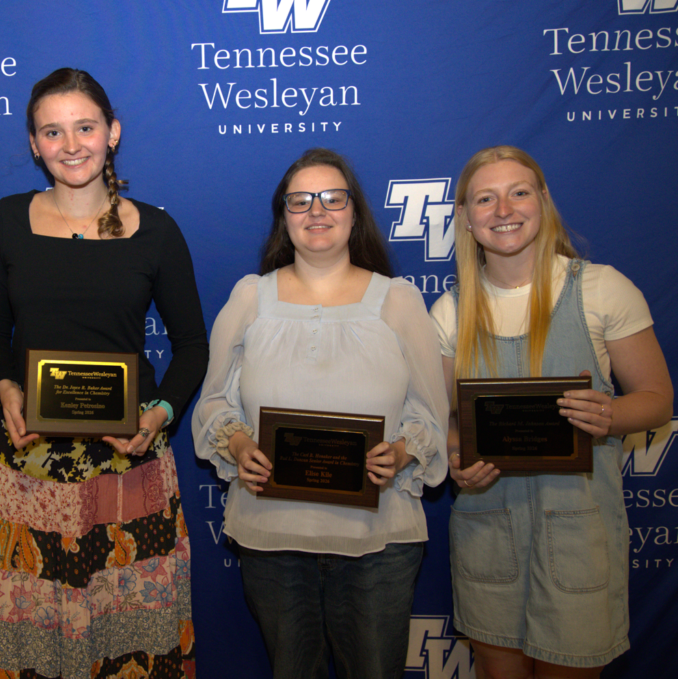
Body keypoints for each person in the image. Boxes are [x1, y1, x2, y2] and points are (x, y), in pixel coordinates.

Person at [0, 67, 207, 679]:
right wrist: (3, 389)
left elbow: (191, 348)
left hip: (129, 459)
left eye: (85, 127)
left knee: (131, 642)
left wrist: (160, 415)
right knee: (33, 647)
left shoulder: (155, 230)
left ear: (113, 133)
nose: (71, 144)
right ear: (32, 143)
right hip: (30, 464)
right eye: (52, 131)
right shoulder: (5, 220)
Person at [192, 148, 449, 679]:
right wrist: (240, 446)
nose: (317, 211)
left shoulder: (399, 301)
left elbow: (429, 410)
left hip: (378, 538)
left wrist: (401, 452)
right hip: (272, 536)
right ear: (283, 217)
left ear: (355, 213)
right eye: (300, 200)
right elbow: (214, 400)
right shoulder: (249, 297)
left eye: (333, 198)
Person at [429, 145, 674, 678]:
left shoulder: (603, 288)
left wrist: (610, 415)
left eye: (519, 193)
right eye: (485, 199)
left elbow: (657, 400)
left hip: (580, 533)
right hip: (486, 530)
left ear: (544, 202)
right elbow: (447, 418)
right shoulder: (449, 311)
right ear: (466, 220)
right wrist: (454, 454)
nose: (503, 210)